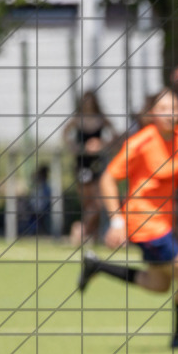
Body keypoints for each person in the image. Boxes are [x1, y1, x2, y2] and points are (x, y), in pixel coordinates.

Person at [77, 89, 178, 349]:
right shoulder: (140, 143)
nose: (169, 113)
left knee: (158, 284)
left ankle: (97, 266)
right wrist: (117, 221)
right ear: (152, 114)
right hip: (143, 222)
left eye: (174, 108)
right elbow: (108, 179)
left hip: (164, 222)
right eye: (163, 108)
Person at [64, 90, 116, 243]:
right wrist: (77, 148)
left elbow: (115, 135)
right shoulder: (77, 120)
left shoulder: (101, 119)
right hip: (82, 165)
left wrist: (101, 145)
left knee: (99, 202)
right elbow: (65, 135)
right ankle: (86, 232)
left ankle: (82, 230)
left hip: (97, 164)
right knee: (88, 202)